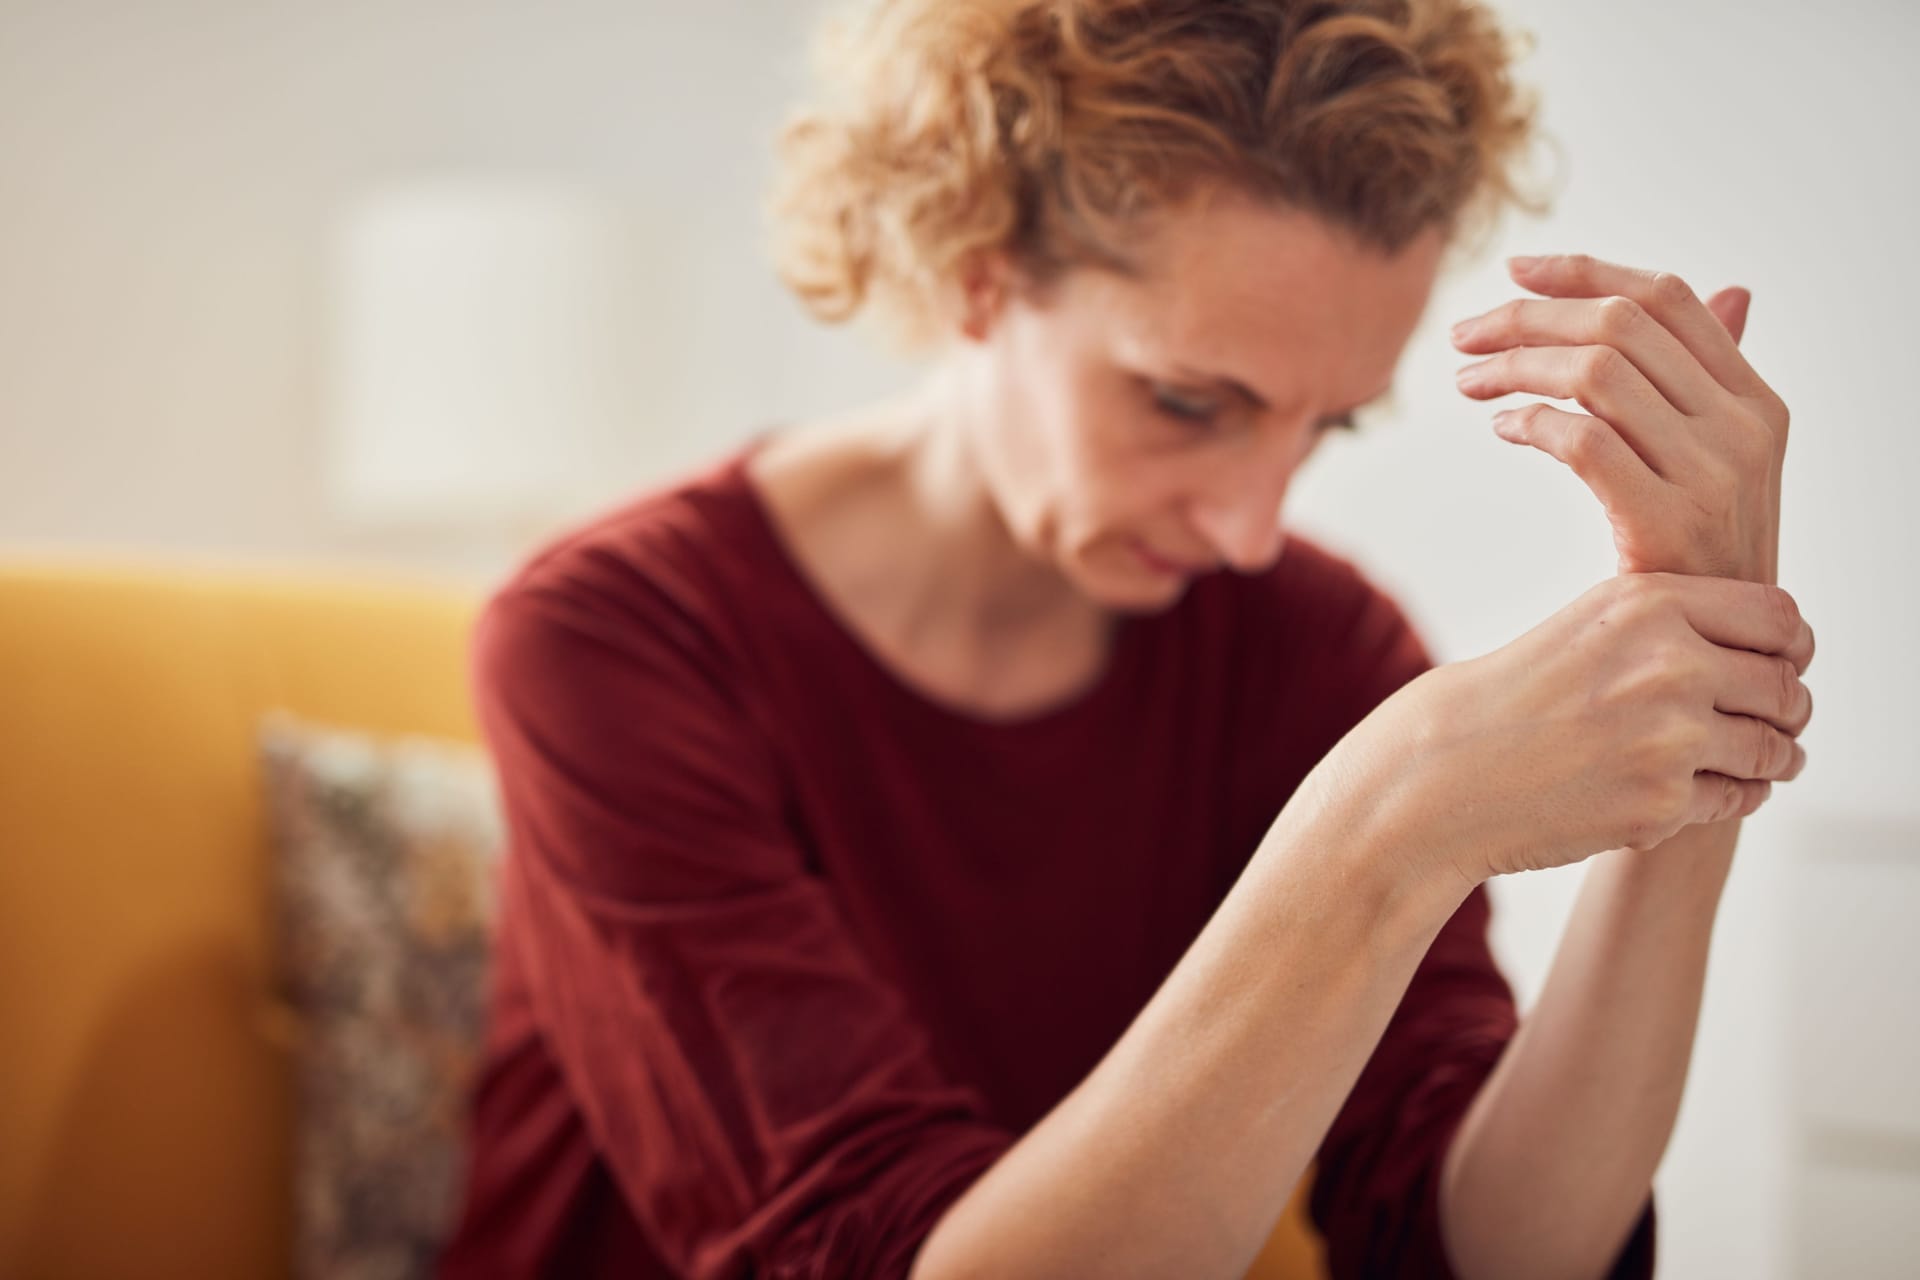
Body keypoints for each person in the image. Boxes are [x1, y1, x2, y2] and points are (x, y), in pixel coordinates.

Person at [437, 0, 1811, 1276]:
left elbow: (1472, 1245)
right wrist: (1380, 830)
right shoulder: (613, 640)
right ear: (975, 270)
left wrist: (1707, 705)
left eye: (1322, 425)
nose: (1251, 530)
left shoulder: (1310, 649)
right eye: (1187, 403)